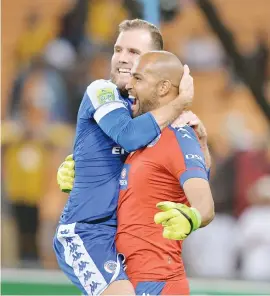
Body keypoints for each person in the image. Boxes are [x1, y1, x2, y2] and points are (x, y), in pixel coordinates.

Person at [53, 19, 194, 296]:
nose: (121, 59)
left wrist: (198, 139)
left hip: (128, 240)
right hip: (87, 231)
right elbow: (127, 135)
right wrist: (180, 103)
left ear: (153, 63)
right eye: (118, 50)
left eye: (133, 53)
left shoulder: (157, 116)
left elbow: (194, 173)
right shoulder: (101, 90)